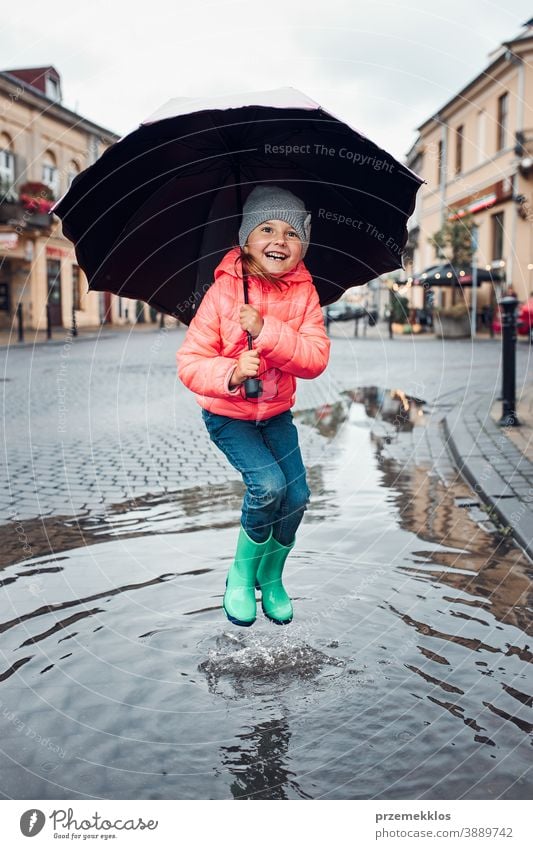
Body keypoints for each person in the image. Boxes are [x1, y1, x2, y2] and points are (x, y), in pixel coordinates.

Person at [176, 186, 331, 627]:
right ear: (245, 240)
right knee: (268, 486)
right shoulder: (223, 293)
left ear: (303, 245)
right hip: (229, 416)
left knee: (297, 496)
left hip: (275, 413)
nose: (279, 240)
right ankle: (240, 575)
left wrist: (265, 331)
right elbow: (189, 362)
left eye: (291, 233)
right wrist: (231, 372)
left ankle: (272, 575)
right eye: (266, 228)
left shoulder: (305, 294)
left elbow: (315, 359)